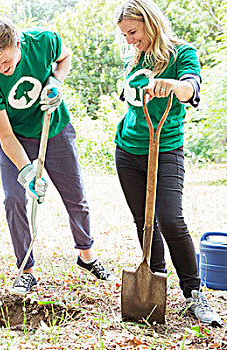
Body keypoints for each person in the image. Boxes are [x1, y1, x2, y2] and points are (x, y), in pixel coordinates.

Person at [0, 18, 115, 294]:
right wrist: (27, 172)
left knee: (75, 194)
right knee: (14, 199)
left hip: (55, 130)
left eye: (4, 62)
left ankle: (86, 255)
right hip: (17, 139)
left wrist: (56, 81)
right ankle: (26, 270)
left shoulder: (43, 42)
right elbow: (5, 136)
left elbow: (65, 57)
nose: (1, 70)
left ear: (17, 44)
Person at [114, 0, 223, 327]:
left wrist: (174, 86)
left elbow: (191, 89)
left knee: (170, 219)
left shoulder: (182, 53)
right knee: (144, 222)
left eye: (133, 32)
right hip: (128, 149)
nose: (130, 39)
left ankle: (194, 293)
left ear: (150, 22)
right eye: (125, 35)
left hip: (166, 148)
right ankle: (155, 280)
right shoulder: (134, 57)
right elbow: (129, 99)